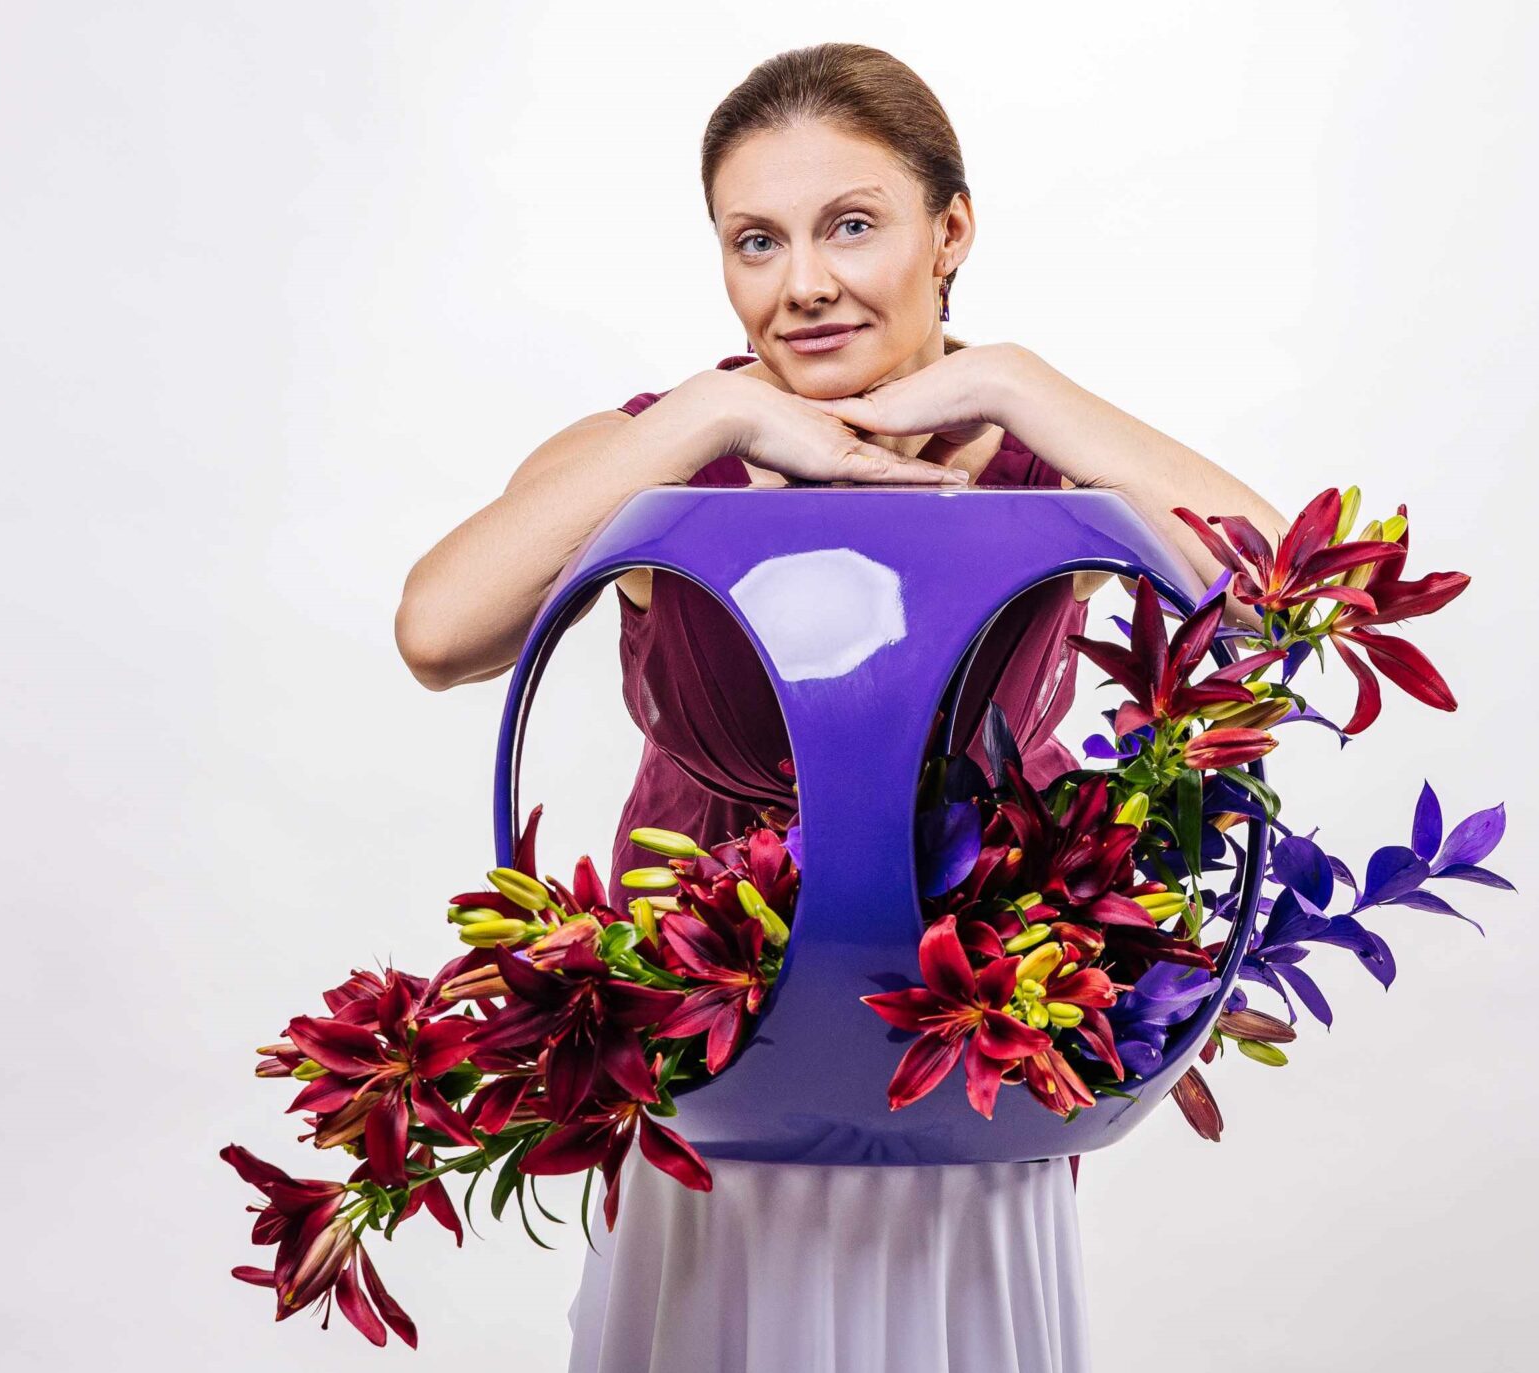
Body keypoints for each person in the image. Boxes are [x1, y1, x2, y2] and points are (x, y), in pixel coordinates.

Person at [394, 42, 1292, 1373]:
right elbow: (439, 632)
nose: (803, 282)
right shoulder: (657, 454)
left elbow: (1286, 601)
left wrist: (1011, 383)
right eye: (756, 241)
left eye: (853, 225)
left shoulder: (1047, 458)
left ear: (951, 233)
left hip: (977, 1055)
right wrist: (712, 415)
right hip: (709, 1061)